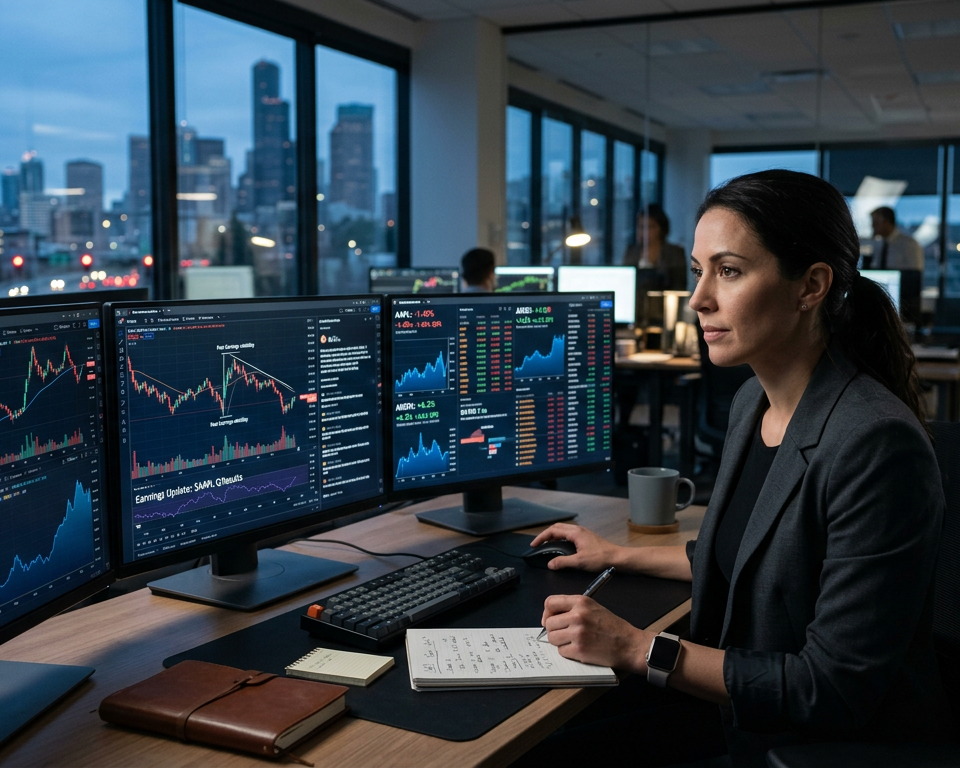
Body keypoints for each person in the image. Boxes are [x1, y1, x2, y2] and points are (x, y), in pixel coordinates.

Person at [533, 171, 949, 767]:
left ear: (811, 286)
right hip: (732, 707)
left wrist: (634, 646)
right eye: (698, 271)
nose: (698, 299)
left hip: (804, 744)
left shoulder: (875, 443)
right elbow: (744, 555)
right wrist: (615, 554)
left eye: (728, 271)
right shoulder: (752, 401)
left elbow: (829, 687)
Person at [622, 203, 688, 290]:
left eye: (649, 227)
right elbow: (625, 281)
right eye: (640, 226)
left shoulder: (675, 252)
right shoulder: (631, 251)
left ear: (661, 228)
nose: (643, 231)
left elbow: (679, 285)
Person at [868, 205, 924, 271]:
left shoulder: (909, 244)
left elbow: (915, 272)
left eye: (876, 223)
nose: (872, 226)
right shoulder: (878, 244)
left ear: (887, 223)